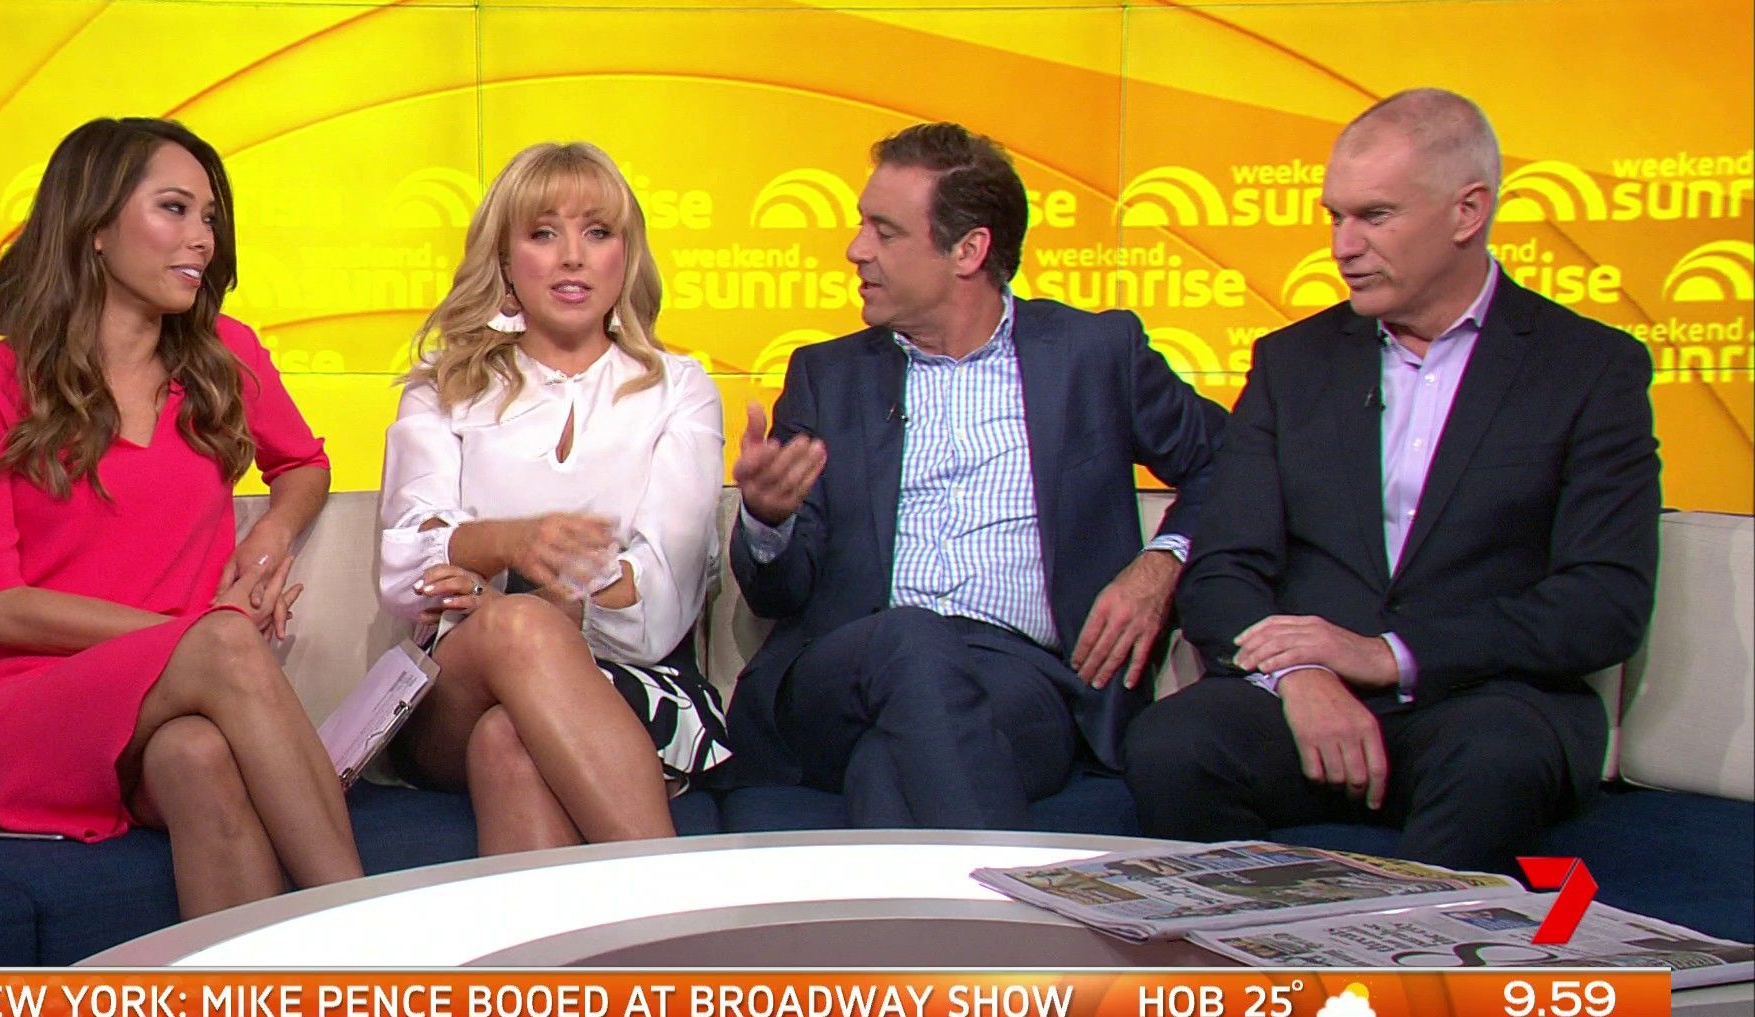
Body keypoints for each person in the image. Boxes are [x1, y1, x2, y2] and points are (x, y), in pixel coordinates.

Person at [1124, 89, 1662, 873]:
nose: (1344, 246)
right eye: (1334, 217)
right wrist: (1302, 671)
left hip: (1485, 698)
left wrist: (1391, 654)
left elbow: (1604, 601)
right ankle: (1267, 946)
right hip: (1303, 701)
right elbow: (1223, 569)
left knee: (1497, 763)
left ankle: (1404, 953)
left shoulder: (1589, 368)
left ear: (1467, 211)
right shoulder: (1291, 363)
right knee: (1174, 745)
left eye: (1374, 216)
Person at [725, 122, 1229, 828]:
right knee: (911, 640)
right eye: (861, 225)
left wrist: (1161, 563)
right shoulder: (828, 376)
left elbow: (1233, 463)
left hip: (1021, 678)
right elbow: (779, 591)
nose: (856, 250)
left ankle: (925, 899)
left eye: (884, 231)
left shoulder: (1094, 355)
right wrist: (767, 521)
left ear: (968, 250)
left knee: (888, 763)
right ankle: (1010, 896)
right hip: (846, 668)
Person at [0, 117, 363, 918]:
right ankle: (367, 928)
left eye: (209, 217)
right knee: (225, 642)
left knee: (198, 755)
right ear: (95, 226)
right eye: (174, 208)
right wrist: (190, 639)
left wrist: (270, 537)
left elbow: (305, 464)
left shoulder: (225, 355)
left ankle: (254, 1000)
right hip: (24, 707)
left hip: (178, 703)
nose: (202, 237)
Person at [377, 142, 730, 856]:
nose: (572, 257)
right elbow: (405, 567)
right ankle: (680, 903)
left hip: (634, 681)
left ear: (625, 256)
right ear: (506, 261)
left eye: (597, 233)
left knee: (510, 739)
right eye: (543, 233)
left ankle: (592, 936)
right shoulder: (443, 386)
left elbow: (659, 604)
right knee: (518, 632)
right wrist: (517, 544)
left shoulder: (680, 389)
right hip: (456, 689)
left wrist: (500, 578)